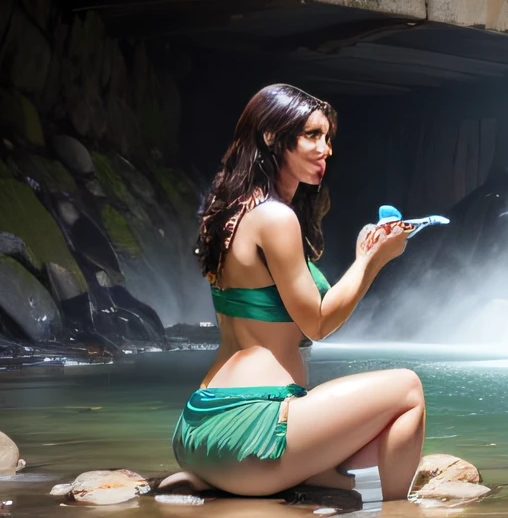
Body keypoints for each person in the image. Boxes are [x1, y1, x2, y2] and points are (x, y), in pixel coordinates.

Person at [170, 83, 424, 501]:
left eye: (328, 138)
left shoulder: (235, 213)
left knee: (385, 431)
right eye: (312, 135)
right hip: (253, 431)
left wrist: (363, 255)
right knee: (408, 390)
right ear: (272, 136)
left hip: (199, 428)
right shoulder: (276, 218)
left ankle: (313, 480)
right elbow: (318, 322)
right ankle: (398, 512)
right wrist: (375, 260)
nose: (326, 149)